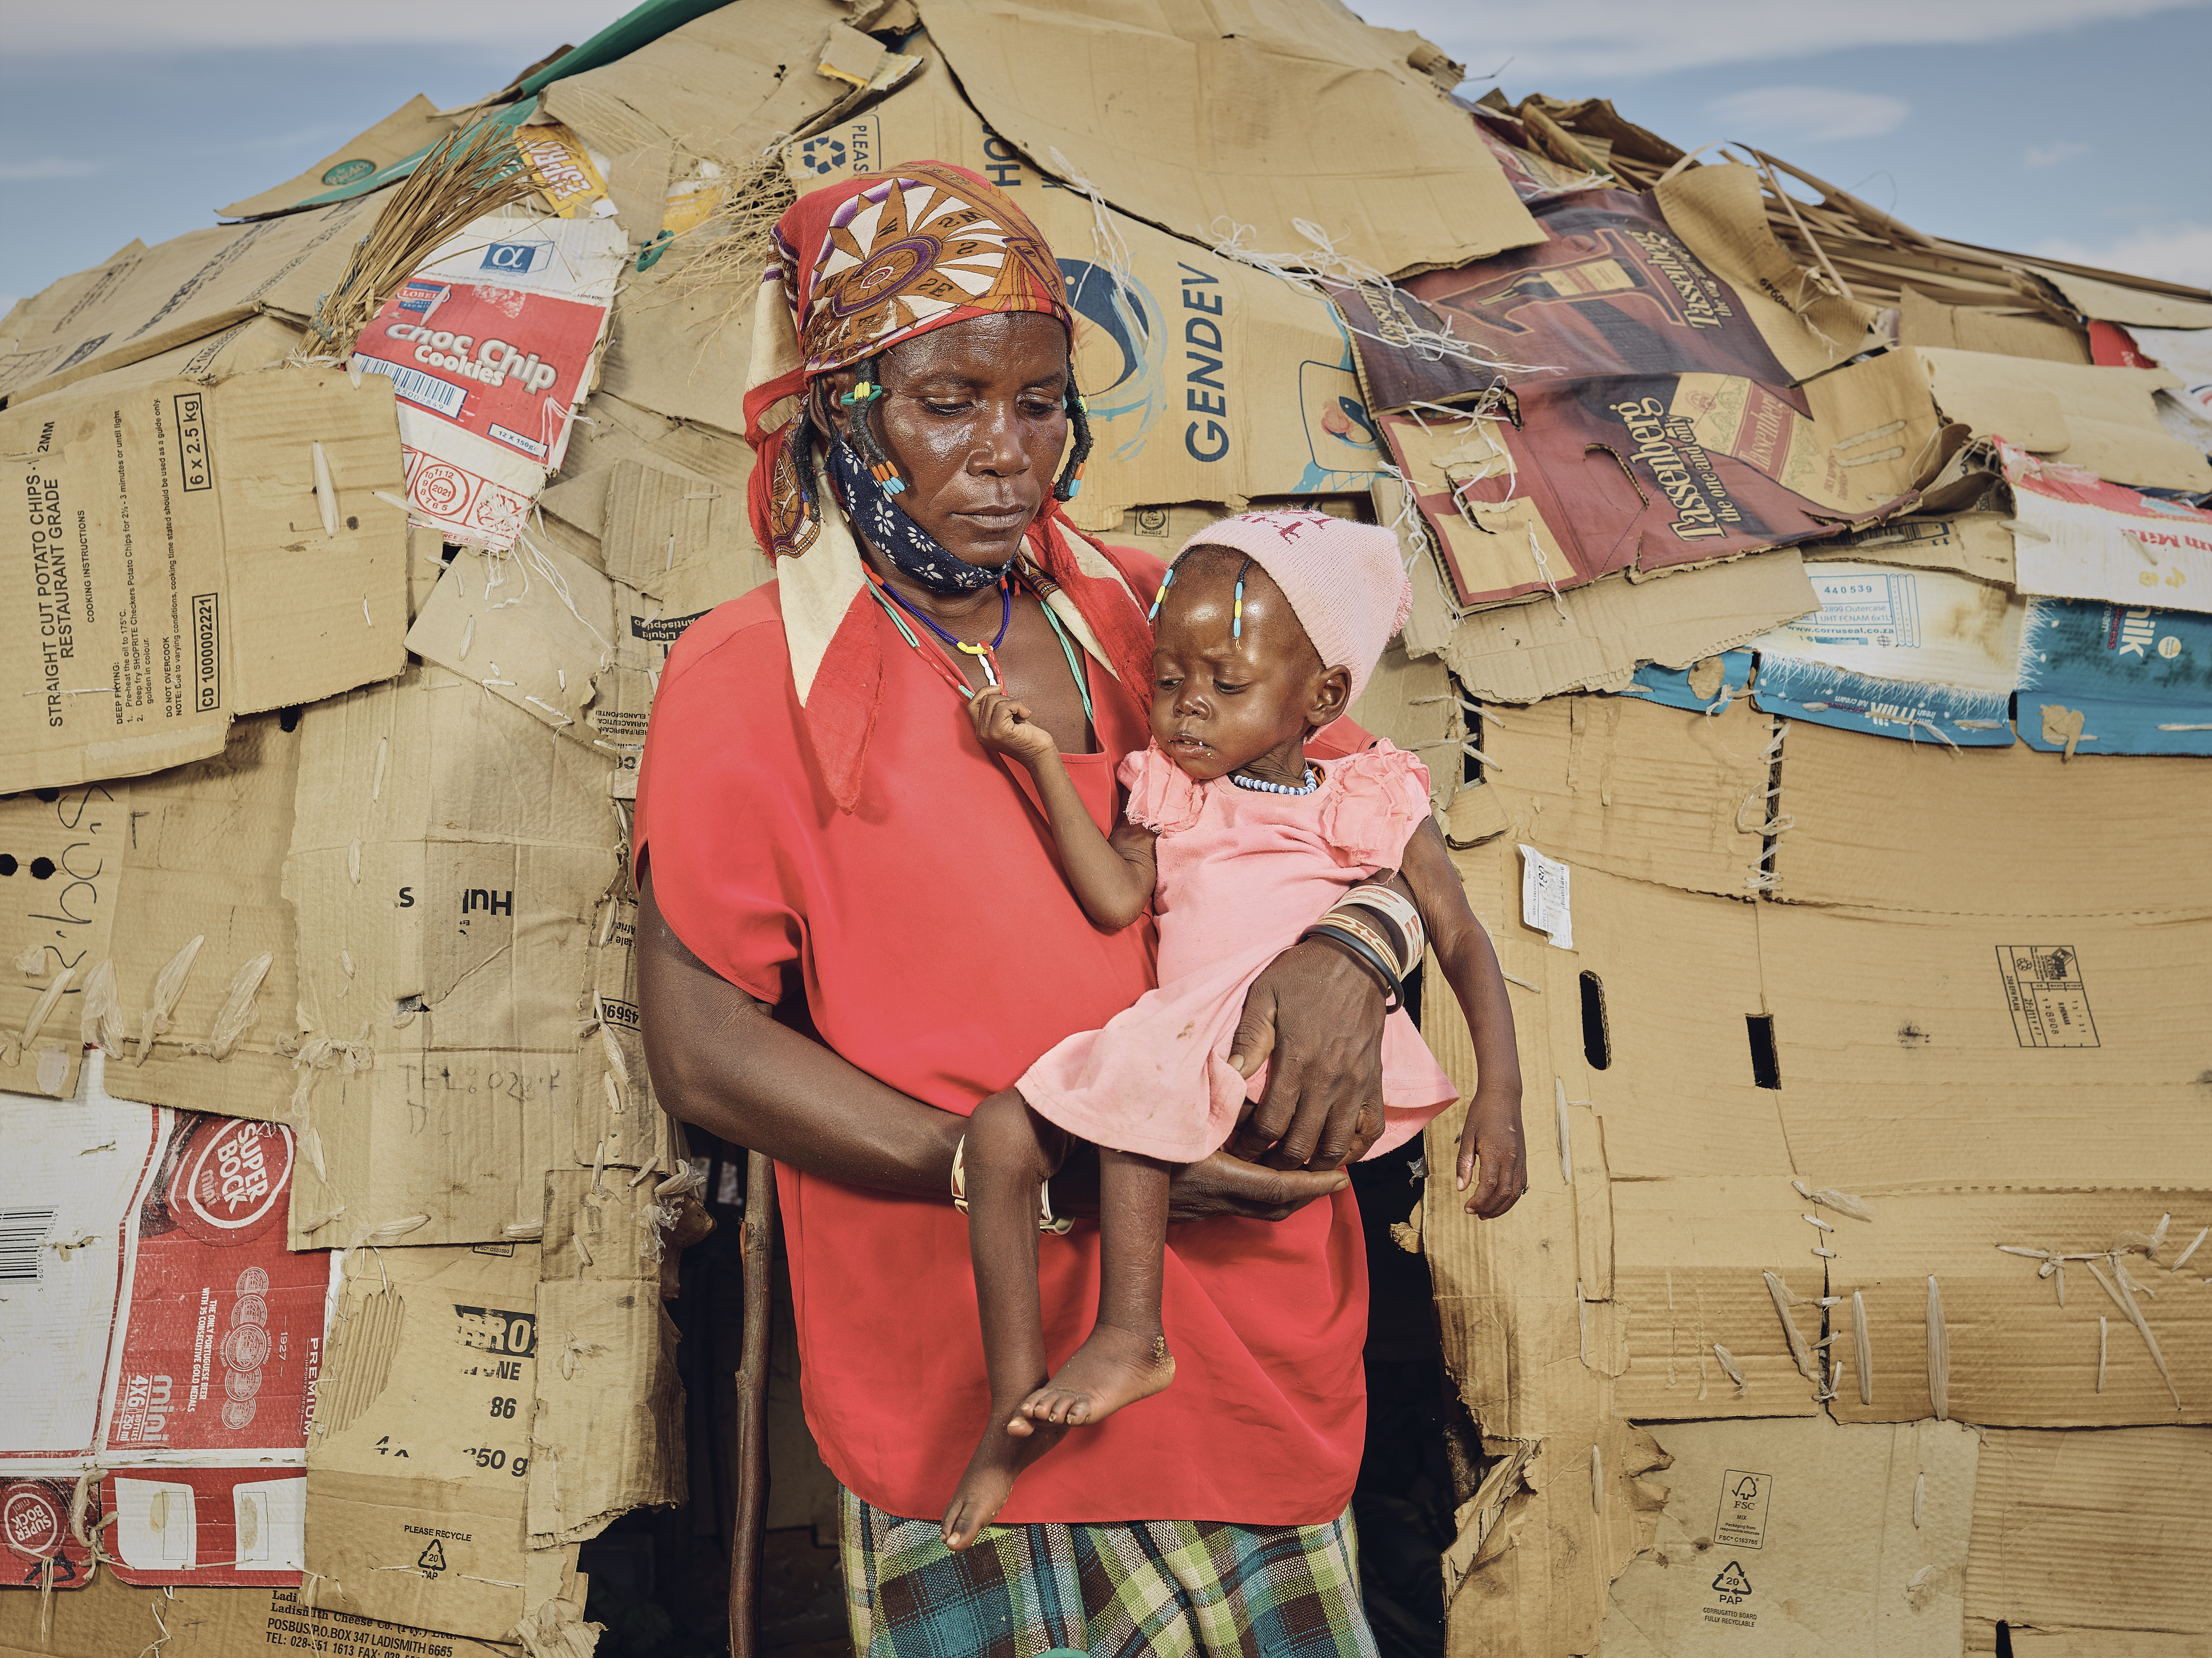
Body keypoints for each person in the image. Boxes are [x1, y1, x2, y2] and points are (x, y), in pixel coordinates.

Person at [633, 160, 1528, 1656]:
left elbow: (1375, 817)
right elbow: (704, 1045)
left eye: (1038, 402)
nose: (1005, 455)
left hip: (1249, 1361)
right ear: (844, 410)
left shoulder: (1149, 615)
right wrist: (1049, 1170)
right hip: (971, 1380)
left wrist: (1350, 947)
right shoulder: (748, 681)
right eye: (946, 402)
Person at [945, 511, 1526, 1549]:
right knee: (995, 1136)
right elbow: (1118, 898)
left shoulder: (1372, 792)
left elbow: (1462, 939)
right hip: (1187, 1040)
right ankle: (1010, 1400)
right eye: (1168, 682)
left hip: (1283, 1063)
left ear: (1324, 698)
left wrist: (1502, 1095)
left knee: (1136, 1100)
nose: (1187, 709)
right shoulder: (1171, 789)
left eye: (1225, 682)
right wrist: (1038, 761)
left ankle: (1132, 1333)